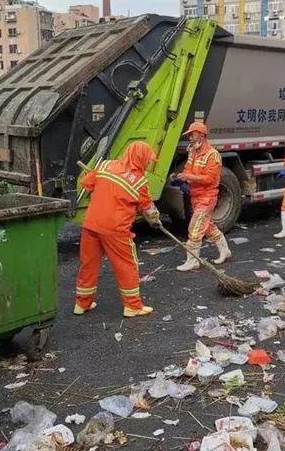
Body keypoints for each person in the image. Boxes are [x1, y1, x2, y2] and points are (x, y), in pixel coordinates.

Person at [74, 141, 161, 317]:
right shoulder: (139, 182)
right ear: (141, 158)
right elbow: (149, 210)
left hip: (91, 224)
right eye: (147, 159)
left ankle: (81, 304)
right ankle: (133, 306)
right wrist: (156, 221)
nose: (148, 162)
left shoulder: (105, 165)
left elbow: (86, 184)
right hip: (115, 230)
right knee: (126, 265)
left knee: (88, 264)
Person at [173, 121, 231, 271]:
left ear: (201, 135)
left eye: (192, 134)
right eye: (190, 135)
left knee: (195, 228)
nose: (190, 138)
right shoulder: (192, 151)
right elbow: (188, 169)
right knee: (207, 226)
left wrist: (190, 177)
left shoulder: (213, 155)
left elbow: (210, 179)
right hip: (196, 196)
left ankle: (193, 261)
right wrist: (182, 178)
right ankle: (225, 251)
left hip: (207, 197)